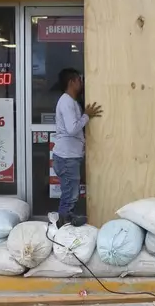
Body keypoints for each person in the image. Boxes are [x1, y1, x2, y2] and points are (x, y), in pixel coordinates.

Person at [53, 68, 102, 227]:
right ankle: (63, 224)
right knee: (69, 194)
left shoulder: (71, 101)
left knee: (71, 193)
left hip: (70, 156)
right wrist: (87, 115)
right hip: (66, 158)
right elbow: (72, 128)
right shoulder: (66, 102)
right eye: (79, 80)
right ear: (71, 82)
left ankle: (67, 220)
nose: (81, 83)